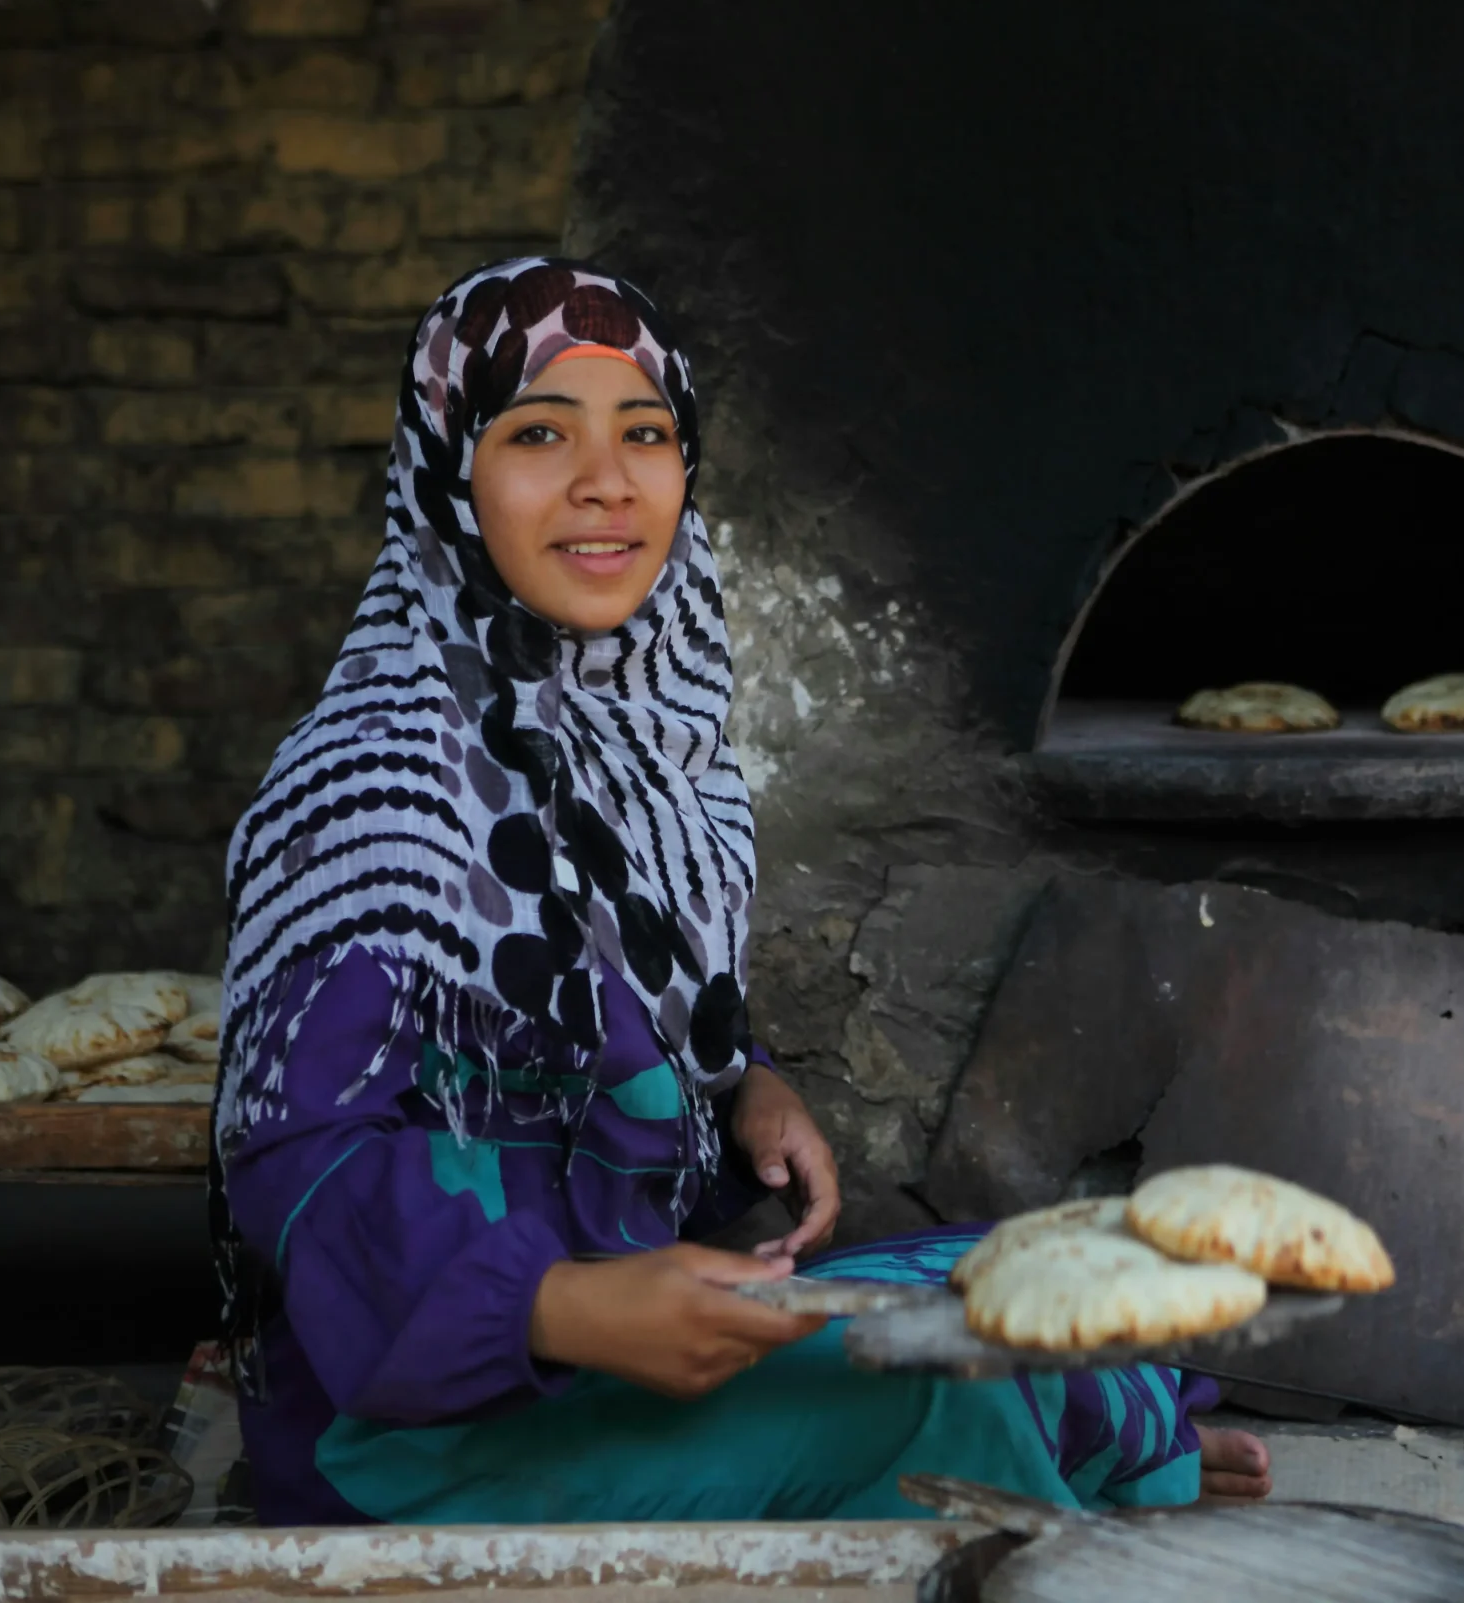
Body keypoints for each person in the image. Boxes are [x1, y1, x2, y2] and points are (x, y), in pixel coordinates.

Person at [210, 257, 1272, 1524]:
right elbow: (295, 1158)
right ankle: (1074, 1456)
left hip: (629, 1308)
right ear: (445, 471)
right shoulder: (373, 783)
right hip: (422, 1426)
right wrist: (557, 1308)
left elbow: (596, 981)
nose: (607, 482)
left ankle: (1083, 1435)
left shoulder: (635, 750)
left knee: (1050, 1287)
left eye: (646, 435)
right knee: (944, 1394)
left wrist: (741, 1073)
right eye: (539, 432)